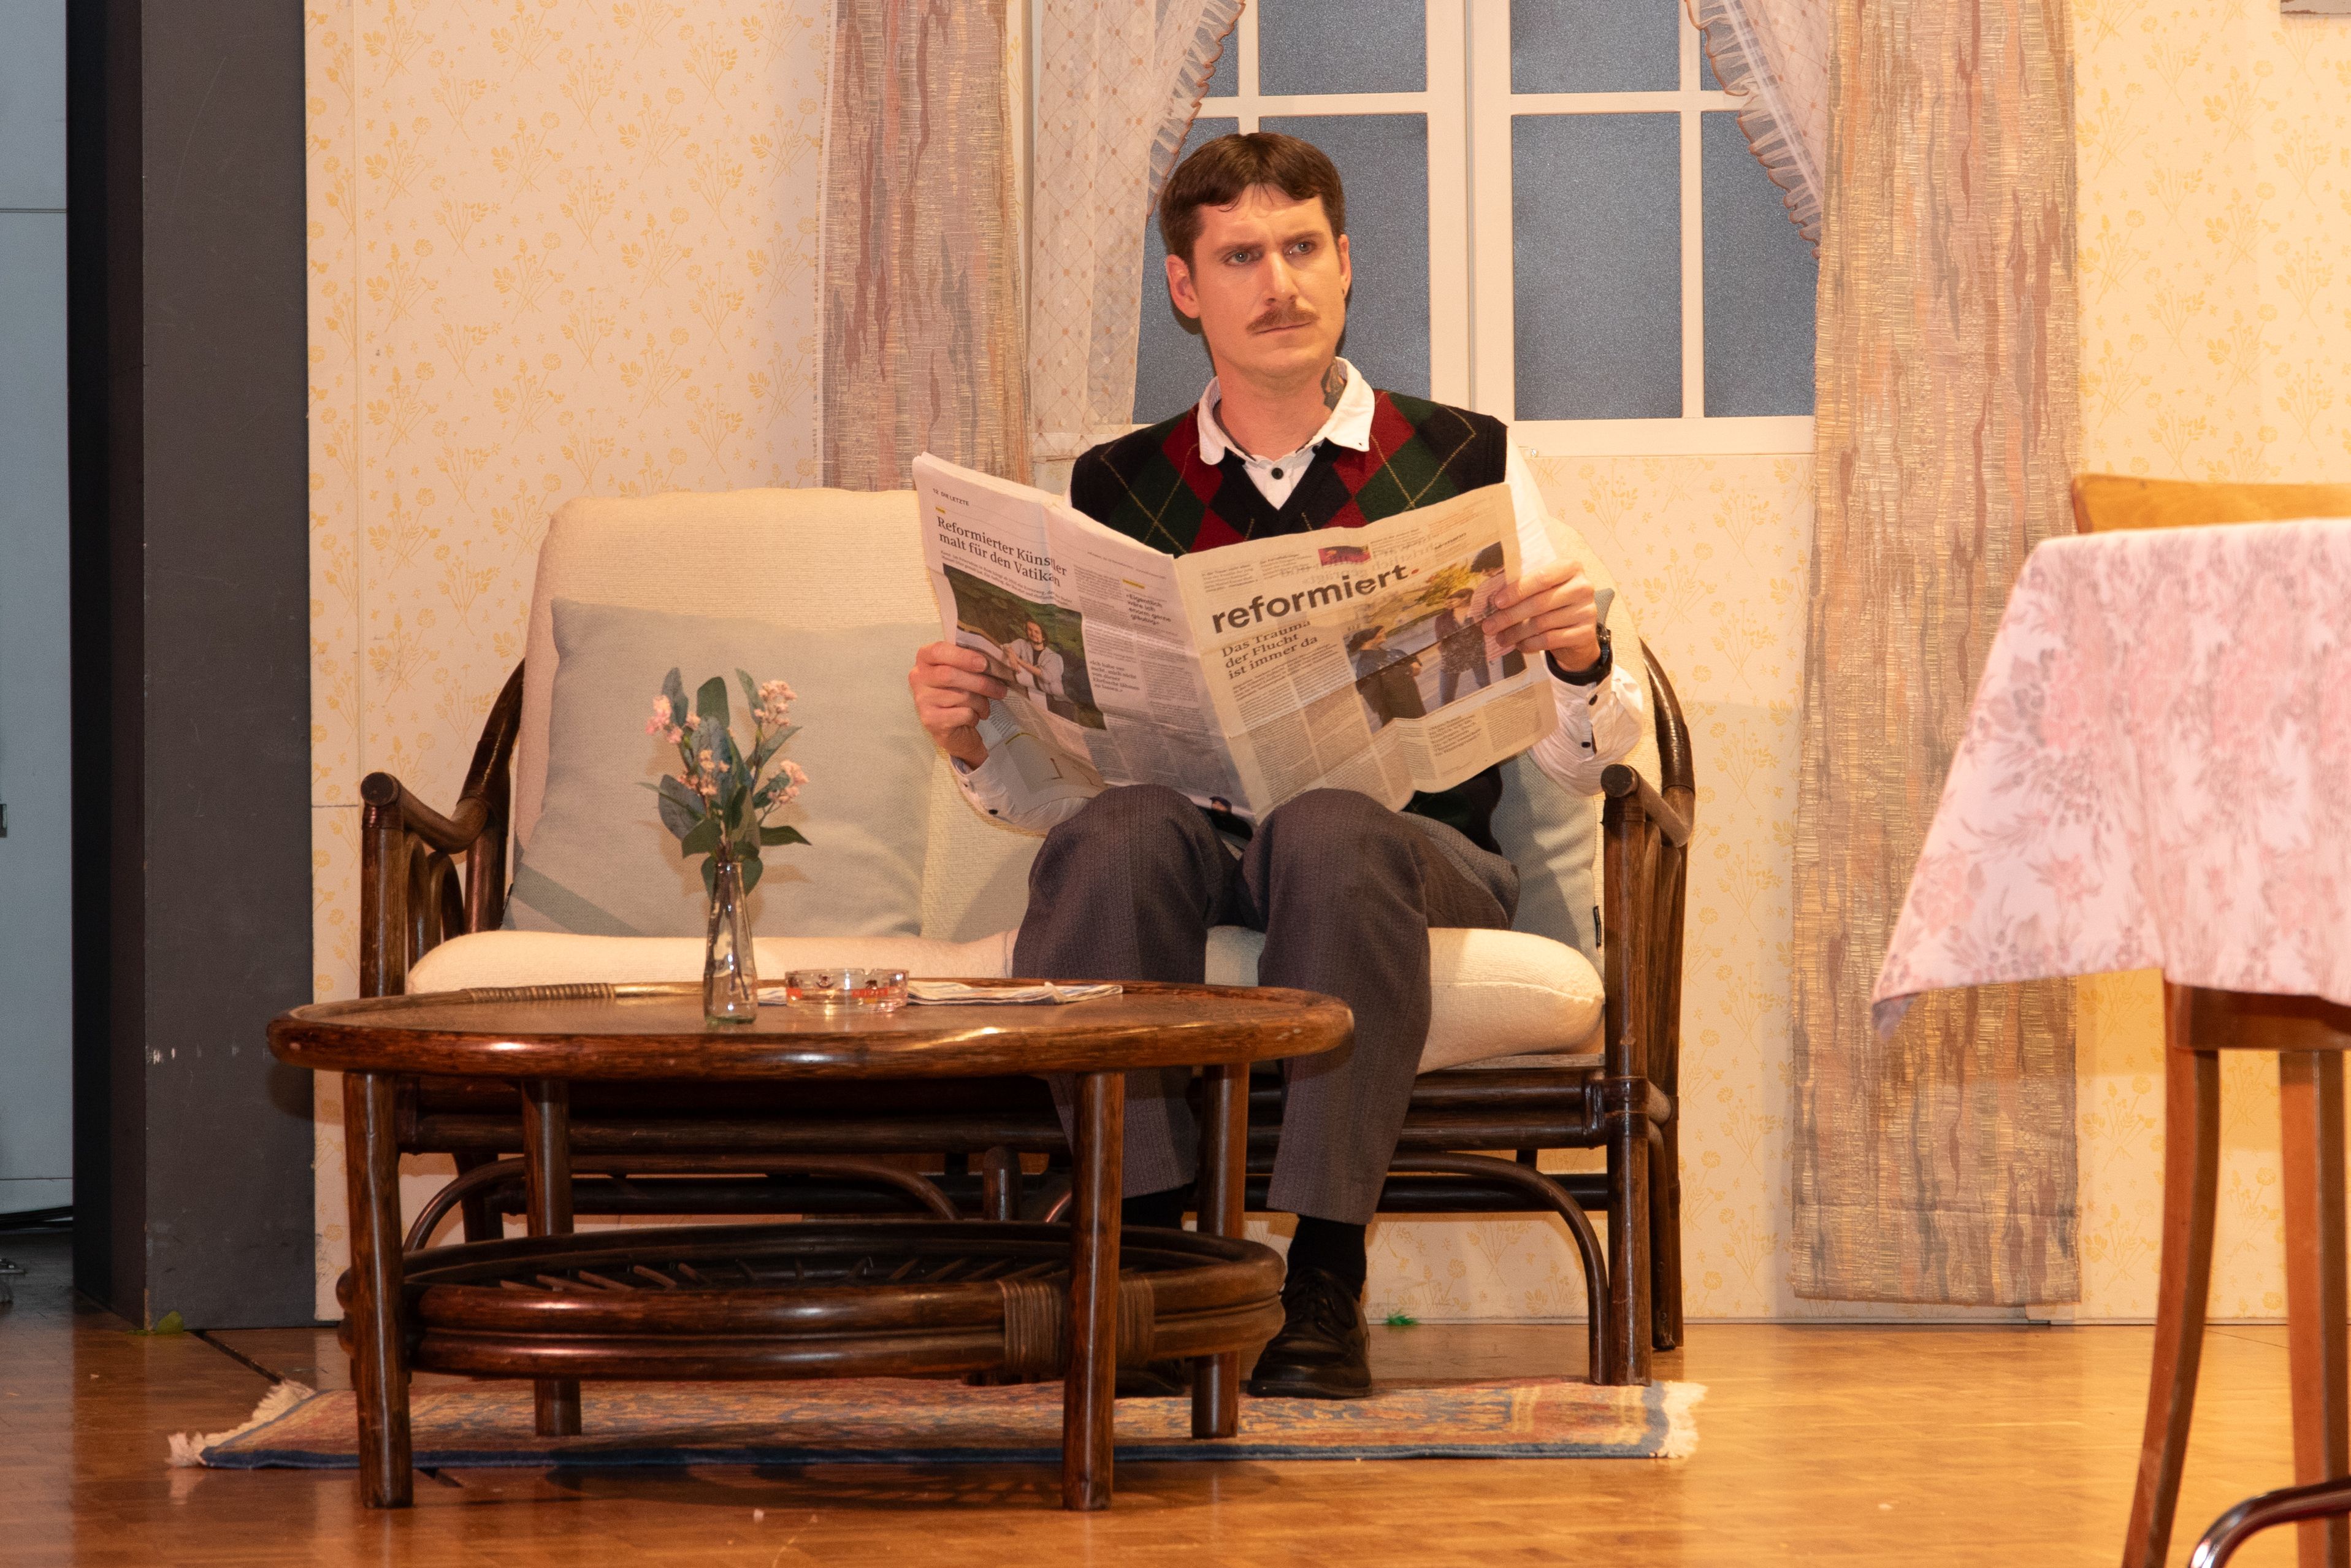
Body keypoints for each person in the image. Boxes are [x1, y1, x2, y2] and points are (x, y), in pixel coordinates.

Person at [905, 131, 1646, 1399]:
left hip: (1410, 850)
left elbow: (1583, 767)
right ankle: (1151, 1265)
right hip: (1197, 839)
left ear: (1345, 263)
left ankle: (1323, 1279)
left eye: (1302, 248)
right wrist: (972, 732)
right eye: (1240, 256)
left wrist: (1579, 661)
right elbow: (1063, 796)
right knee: (1117, 833)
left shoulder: (1465, 460)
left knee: (1329, 825)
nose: (1279, 282)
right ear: (1185, 287)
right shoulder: (1115, 484)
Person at [1347, 625, 1423, 726]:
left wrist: (1410, 667)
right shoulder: (1364, 666)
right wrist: (1407, 670)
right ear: (1365, 641)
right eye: (1376, 632)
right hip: (1400, 721)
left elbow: (1417, 668)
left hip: (1418, 710)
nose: (1383, 633)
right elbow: (1378, 705)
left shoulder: (1395, 652)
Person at [1431, 589, 1489, 706]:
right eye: (1448, 599)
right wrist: (1446, 651)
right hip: (1451, 660)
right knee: (1446, 697)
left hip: (1476, 655)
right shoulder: (1442, 619)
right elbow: (1439, 642)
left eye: (1453, 598)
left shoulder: (1477, 611)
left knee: (1485, 685)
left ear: (1465, 598)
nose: (1449, 601)